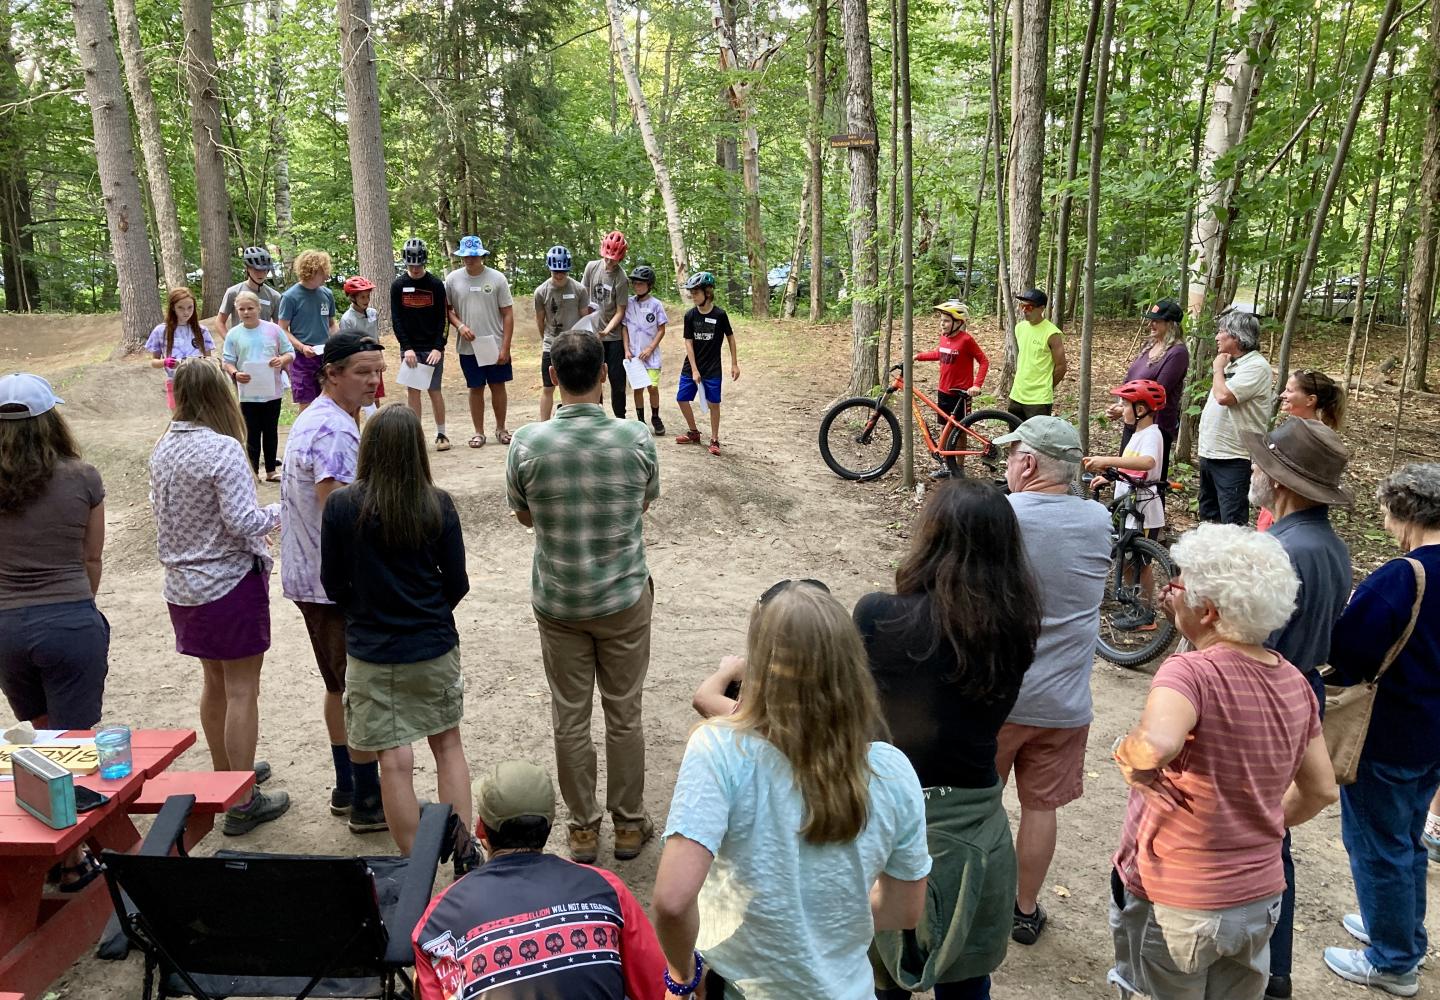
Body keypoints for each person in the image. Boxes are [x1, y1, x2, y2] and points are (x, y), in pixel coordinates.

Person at [651, 582, 931, 999]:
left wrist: (681, 974)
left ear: (758, 667)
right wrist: (826, 924)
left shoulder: (719, 750)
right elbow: (905, 909)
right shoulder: (891, 770)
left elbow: (673, 902)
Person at [1110, 524, 1337, 1000]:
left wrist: (1129, 758)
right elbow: (1320, 789)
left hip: (1180, 898)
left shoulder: (1191, 670)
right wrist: (1261, 824)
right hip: (1260, 898)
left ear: (1208, 611)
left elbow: (1154, 746)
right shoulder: (1295, 682)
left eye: (1178, 587)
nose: (1171, 596)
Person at [855, 480, 1041, 1000]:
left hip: (888, 816)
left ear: (931, 538)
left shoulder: (877, 615)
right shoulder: (1017, 629)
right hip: (976, 825)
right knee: (967, 980)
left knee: (881, 979)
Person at [505, 330, 659, 864]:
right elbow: (644, 503)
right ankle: (631, 825)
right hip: (622, 598)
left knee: (569, 715)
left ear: (553, 377)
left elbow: (525, 515)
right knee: (625, 713)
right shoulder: (636, 439)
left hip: (560, 601)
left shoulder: (527, 442)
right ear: (603, 376)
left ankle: (583, 830)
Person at [321, 405, 475, 862]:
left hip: (373, 651)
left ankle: (414, 863)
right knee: (448, 744)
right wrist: (428, 613)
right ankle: (464, 849)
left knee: (393, 758)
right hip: (432, 645)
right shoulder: (437, 503)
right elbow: (458, 581)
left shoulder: (342, 506)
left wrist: (367, 613)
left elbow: (333, 584)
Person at [149, 360, 291, 836]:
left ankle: (227, 774)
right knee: (242, 689)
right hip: (228, 583)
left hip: (183, 588)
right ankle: (243, 800)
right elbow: (243, 522)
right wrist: (287, 505)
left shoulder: (163, 447)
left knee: (214, 683)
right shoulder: (223, 449)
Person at [1239, 418, 1354, 999]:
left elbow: (1248, 641)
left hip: (1265, 697)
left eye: (1262, 463)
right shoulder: (1330, 545)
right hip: (1300, 688)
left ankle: (1258, 968)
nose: (1254, 471)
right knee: (1271, 832)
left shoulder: (1279, 549)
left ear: (1281, 481)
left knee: (1255, 832)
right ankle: (1274, 968)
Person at [989, 415, 1112, 945]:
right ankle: (1023, 909)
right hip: (1063, 701)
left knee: (976, 805)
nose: (1006, 465)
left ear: (1029, 462)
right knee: (1041, 809)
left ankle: (972, 902)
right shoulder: (1098, 521)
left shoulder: (1001, 516)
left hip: (995, 696)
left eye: (1010, 455)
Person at [1323, 464, 1440, 997]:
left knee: (1377, 843)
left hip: (1389, 731)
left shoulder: (1403, 575)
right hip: (1432, 733)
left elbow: (1350, 649)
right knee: (1406, 837)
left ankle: (1392, 961)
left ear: (1405, 512)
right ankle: (1400, 930)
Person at [411, 760, 667, 1000]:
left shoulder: (438, 921)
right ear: (549, 826)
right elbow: (659, 988)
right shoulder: (607, 889)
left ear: (481, 828)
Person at [0, 373, 110, 888]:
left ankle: (51, 850)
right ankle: (73, 859)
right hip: (68, 618)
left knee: (39, 740)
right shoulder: (82, 477)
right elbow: (92, 558)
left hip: (5, 628)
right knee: (77, 745)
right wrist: (79, 607)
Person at [281, 331, 386, 834]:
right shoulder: (336, 432)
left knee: (338, 685)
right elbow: (338, 512)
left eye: (378, 370)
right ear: (332, 373)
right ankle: (367, 800)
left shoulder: (322, 418)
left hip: (314, 579)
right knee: (358, 690)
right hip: (334, 585)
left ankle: (348, 785)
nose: (374, 380)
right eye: (363, 371)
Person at [1083, 379, 1168, 630]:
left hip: (1145, 511)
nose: (1121, 408)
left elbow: (1147, 463)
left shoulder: (1152, 434)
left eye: (1125, 404)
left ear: (1141, 410)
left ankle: (1145, 612)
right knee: (1129, 559)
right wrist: (1109, 475)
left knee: (1142, 563)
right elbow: (1130, 465)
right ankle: (1134, 608)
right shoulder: (1137, 434)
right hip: (1130, 507)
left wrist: (1105, 459)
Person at [1197, 309, 1273, 525]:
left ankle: (1230, 561)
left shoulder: (1256, 367)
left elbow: (1224, 396)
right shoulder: (1232, 363)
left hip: (1233, 457)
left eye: (1222, 332)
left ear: (1237, 337)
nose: (1217, 337)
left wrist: (1217, 369)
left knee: (1231, 524)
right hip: (1210, 453)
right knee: (1209, 519)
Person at [444, 235, 515, 447]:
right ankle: (478, 432)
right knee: (475, 388)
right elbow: (447, 311)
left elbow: (508, 314)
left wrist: (506, 346)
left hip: (494, 343)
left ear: (481, 255)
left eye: (474, 255)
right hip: (468, 346)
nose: (470, 259)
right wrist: (460, 326)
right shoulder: (452, 280)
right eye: (466, 255)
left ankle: (501, 428)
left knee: (498, 385)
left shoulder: (497, 279)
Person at [1256, 368, 1346, 530]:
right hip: (1275, 509)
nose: (1282, 394)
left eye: (1289, 391)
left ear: (1310, 400)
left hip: (1288, 515)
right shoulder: (1295, 429)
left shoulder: (1314, 438)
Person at [1109, 299, 1189, 479]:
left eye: (1156, 321)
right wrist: (1121, 405)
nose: (1150, 324)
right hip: (1133, 420)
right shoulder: (1149, 345)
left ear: (1171, 325)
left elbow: (1158, 390)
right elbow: (1130, 380)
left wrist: (1124, 409)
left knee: (1146, 481)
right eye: (1150, 319)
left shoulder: (1177, 353)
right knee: (1125, 476)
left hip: (1155, 426)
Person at [221, 289, 294, 482]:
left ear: (259, 308)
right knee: (252, 432)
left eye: (250, 308)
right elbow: (227, 361)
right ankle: (253, 472)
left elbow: (290, 352)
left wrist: (281, 360)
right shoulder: (233, 335)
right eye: (242, 309)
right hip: (247, 392)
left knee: (270, 430)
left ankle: (271, 470)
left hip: (272, 390)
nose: (246, 312)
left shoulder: (274, 329)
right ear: (237, 311)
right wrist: (235, 373)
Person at [392, 238, 451, 450]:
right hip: (410, 349)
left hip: (431, 347)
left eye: (418, 265)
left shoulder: (435, 285)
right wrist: (406, 347)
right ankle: (415, 437)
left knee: (434, 390)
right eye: (411, 265)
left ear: (424, 262)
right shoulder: (398, 286)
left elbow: (443, 319)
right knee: (413, 392)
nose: (415, 269)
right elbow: (396, 320)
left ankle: (442, 433)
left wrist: (438, 347)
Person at [674, 270, 740, 456]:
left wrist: (734, 364)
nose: (692, 296)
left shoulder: (720, 315)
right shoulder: (690, 316)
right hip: (691, 366)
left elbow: (731, 338)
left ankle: (714, 439)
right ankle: (694, 432)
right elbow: (688, 342)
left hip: (713, 368)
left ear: (708, 293)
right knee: (681, 398)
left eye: (696, 292)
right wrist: (694, 369)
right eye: (691, 293)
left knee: (714, 404)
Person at [532, 244, 592, 421]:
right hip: (551, 343)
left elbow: (584, 318)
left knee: (574, 386)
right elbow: (540, 319)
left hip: (575, 344)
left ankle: (575, 420)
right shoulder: (541, 292)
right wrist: (546, 339)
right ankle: (543, 424)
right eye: (555, 272)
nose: (559, 275)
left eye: (563, 272)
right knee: (548, 387)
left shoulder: (579, 289)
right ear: (550, 269)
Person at [278, 249, 339, 412]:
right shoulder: (290, 297)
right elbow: (282, 329)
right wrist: (302, 347)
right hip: (302, 358)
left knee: (329, 400)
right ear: (311, 271)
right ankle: (304, 436)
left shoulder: (327, 294)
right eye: (322, 272)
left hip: (325, 356)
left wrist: (336, 343)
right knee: (307, 403)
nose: (326, 276)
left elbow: (332, 324)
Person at [581, 231, 632, 419]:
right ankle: (596, 415)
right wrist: (587, 324)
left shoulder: (621, 278)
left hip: (613, 337)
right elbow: (583, 297)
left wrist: (606, 331)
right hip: (592, 333)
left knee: (617, 380)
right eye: (608, 258)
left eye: (615, 260)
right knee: (594, 377)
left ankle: (620, 417)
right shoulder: (591, 268)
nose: (610, 263)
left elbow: (620, 311)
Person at [916, 300, 988, 420]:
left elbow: (984, 361)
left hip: (960, 394)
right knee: (944, 428)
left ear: (958, 322)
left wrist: (976, 385)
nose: (942, 324)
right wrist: (918, 357)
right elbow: (939, 354)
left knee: (959, 431)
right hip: (943, 390)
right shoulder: (944, 337)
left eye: (946, 321)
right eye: (941, 320)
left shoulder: (966, 340)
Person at [145, 287, 214, 410]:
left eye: (190, 307)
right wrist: (165, 362)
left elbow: (209, 359)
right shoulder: (160, 331)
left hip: (200, 383)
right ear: (173, 308)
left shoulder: (202, 330)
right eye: (180, 308)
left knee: (201, 421)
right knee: (179, 420)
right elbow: (153, 362)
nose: (186, 312)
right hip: (175, 383)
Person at [1007, 288, 1065, 420]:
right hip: (1017, 393)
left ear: (1041, 308)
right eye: (1022, 306)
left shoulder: (1052, 333)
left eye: (1029, 307)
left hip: (1038, 399)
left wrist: (1046, 386)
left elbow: (1061, 366)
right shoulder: (1020, 328)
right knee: (1015, 436)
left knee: (1037, 439)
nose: (1024, 310)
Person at [622, 263, 666, 436]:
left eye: (641, 283)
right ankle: (641, 420)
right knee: (637, 388)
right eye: (635, 283)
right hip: (634, 355)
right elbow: (624, 327)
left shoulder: (656, 305)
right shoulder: (629, 303)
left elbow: (662, 329)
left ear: (649, 285)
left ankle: (655, 416)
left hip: (651, 356)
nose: (637, 286)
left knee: (652, 387)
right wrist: (626, 349)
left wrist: (650, 348)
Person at [339, 275, 387, 418]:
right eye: (362, 297)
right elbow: (346, 346)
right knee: (356, 403)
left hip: (373, 361)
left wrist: (381, 359)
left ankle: (375, 432)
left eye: (368, 297)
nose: (366, 300)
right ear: (353, 298)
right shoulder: (347, 319)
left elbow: (376, 338)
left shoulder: (372, 313)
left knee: (375, 398)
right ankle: (356, 435)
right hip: (358, 363)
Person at [217, 245, 283, 335]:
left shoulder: (274, 296)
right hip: (240, 345)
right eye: (256, 270)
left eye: (264, 270)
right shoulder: (233, 292)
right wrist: (230, 342)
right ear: (248, 269)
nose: (261, 274)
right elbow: (220, 322)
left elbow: (279, 326)